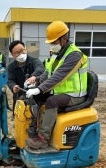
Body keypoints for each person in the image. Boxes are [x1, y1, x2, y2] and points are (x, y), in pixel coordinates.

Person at [25, 21, 88, 149]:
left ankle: (43, 138)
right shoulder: (57, 54)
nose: (52, 45)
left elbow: (60, 76)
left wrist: (40, 88)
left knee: (52, 101)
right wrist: (36, 82)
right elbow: (48, 73)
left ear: (63, 38)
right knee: (37, 98)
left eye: (54, 42)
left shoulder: (74, 55)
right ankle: (35, 129)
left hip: (75, 95)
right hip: (62, 92)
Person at [7, 40, 44, 119]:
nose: (21, 54)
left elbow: (40, 68)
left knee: (36, 118)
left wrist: (34, 77)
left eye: (22, 50)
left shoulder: (35, 61)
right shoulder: (11, 67)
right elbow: (10, 80)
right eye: (17, 53)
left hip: (36, 96)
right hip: (20, 96)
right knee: (20, 120)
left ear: (25, 49)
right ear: (13, 55)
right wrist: (13, 87)